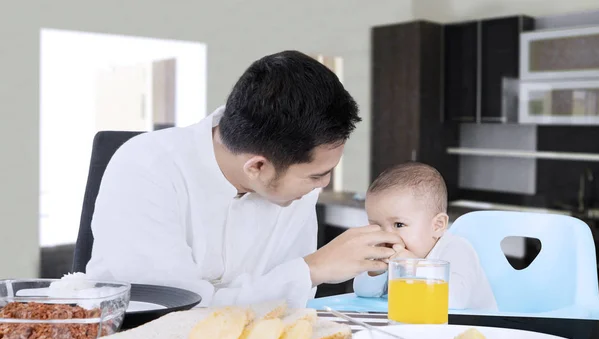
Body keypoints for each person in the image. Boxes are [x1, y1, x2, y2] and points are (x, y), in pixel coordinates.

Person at [85, 50, 401, 308]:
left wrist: (309, 275)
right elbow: (173, 311)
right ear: (257, 167)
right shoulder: (146, 168)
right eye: (316, 175)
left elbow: (289, 305)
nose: (324, 184)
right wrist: (313, 268)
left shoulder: (296, 191)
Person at [353, 162, 497, 311]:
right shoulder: (386, 251)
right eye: (377, 226)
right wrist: (375, 270)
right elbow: (363, 293)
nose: (386, 236)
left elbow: (455, 301)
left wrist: (413, 267)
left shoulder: (457, 250)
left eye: (399, 225)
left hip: (472, 329)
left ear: (438, 225)